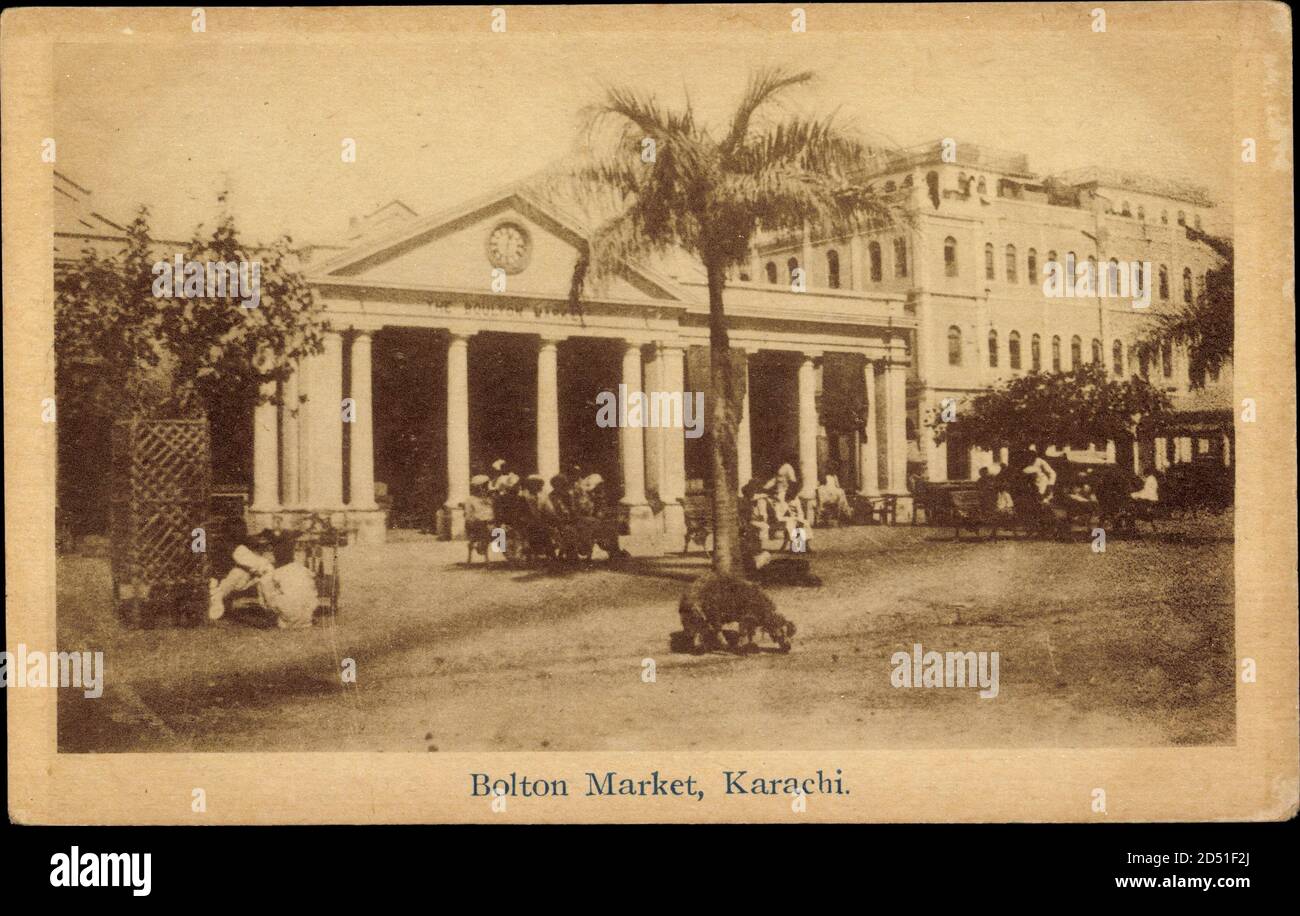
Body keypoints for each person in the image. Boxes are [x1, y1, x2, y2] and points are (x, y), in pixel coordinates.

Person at [209, 543, 317, 629]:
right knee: (254, 571)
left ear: (274, 555)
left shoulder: (274, 573)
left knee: (248, 572)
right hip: (307, 619)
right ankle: (219, 594)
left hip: (288, 620)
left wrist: (260, 580)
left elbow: (267, 602)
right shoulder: (302, 569)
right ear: (293, 555)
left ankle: (218, 594)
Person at [464, 474, 495, 563]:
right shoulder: (471, 499)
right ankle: (484, 556)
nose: (486, 488)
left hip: (489, 522)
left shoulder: (489, 499)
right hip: (476, 523)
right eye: (484, 486)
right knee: (485, 529)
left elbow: (492, 511)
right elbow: (469, 515)